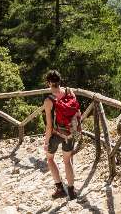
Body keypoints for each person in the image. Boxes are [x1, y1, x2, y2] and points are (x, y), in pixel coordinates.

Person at [42, 70, 80, 200]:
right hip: (71, 132)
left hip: (56, 134)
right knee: (67, 161)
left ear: (48, 83)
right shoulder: (70, 92)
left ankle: (59, 189)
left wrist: (46, 142)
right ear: (60, 81)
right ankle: (71, 190)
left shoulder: (49, 100)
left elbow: (49, 126)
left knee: (50, 158)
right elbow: (77, 113)